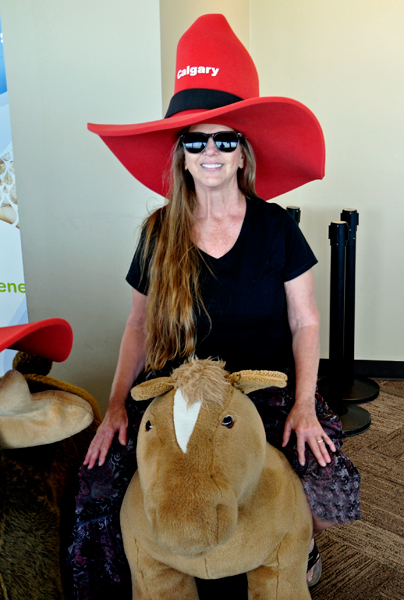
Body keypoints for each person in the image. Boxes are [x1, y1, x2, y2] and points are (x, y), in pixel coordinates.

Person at [67, 14, 360, 599]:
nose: (210, 152)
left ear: (243, 152)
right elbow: (138, 324)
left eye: (224, 138)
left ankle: (296, 547)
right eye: (195, 141)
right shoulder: (157, 231)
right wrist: (116, 405)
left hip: (263, 387)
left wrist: (304, 403)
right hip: (174, 390)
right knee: (95, 488)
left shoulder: (277, 229)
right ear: (180, 154)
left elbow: (305, 321)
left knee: (332, 489)